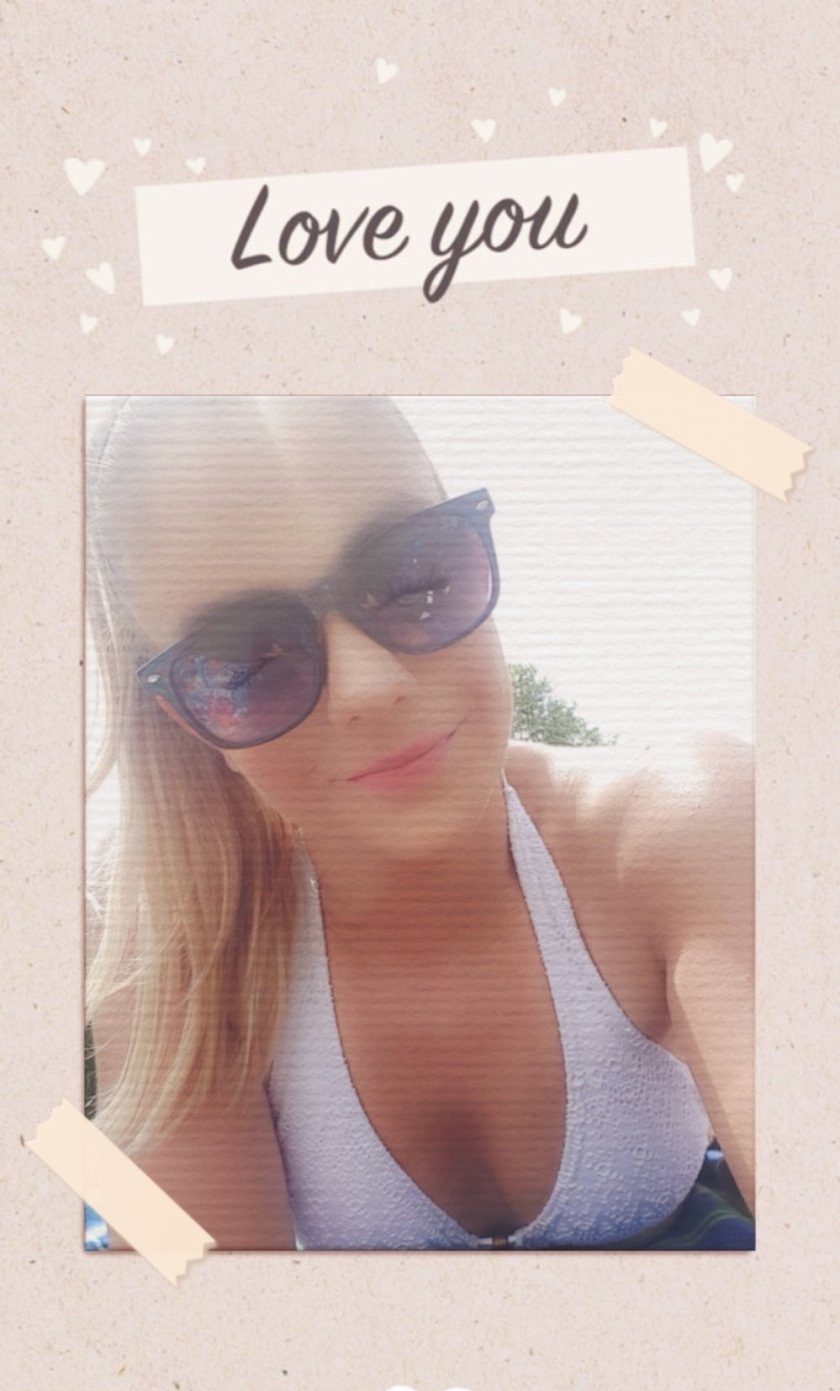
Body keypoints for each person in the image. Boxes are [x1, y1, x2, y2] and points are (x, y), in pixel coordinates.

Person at [85, 395, 754, 1252]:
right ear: (186, 720)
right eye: (247, 663)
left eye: (416, 578)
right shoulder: (163, 932)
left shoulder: (686, 819)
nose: (371, 687)